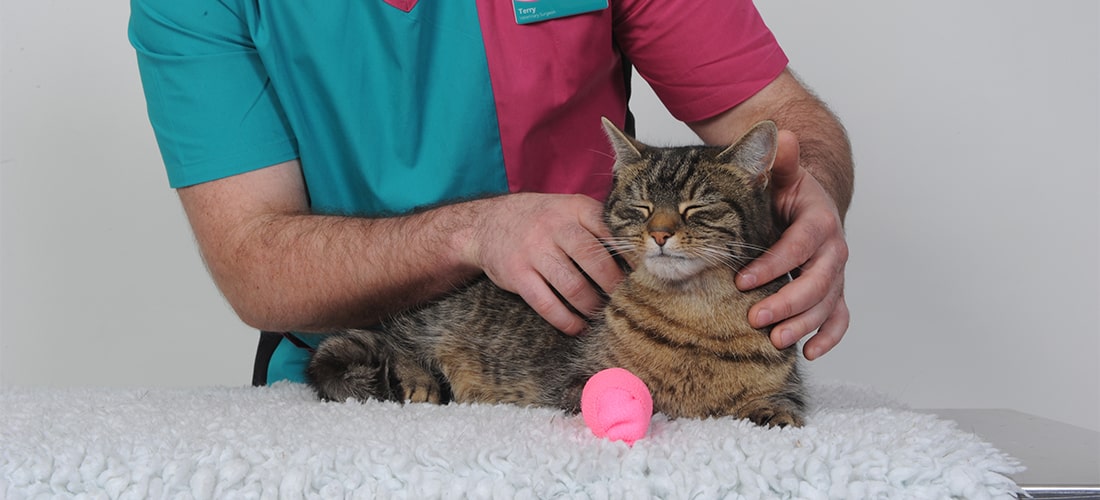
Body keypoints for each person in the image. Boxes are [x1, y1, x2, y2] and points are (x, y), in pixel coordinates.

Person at [128, 0, 854, 386]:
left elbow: (788, 123)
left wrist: (810, 193)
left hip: (602, 371)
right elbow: (252, 263)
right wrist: (473, 232)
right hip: (354, 378)